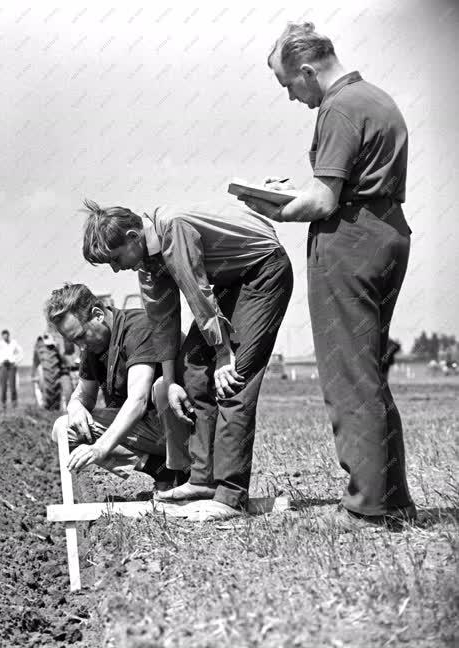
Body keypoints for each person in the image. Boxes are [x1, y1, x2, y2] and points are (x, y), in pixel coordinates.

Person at [246, 21, 415, 527]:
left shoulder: (338, 107)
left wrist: (272, 207)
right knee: (370, 374)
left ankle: (366, 507)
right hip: (387, 232)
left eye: (288, 86)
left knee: (348, 377)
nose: (292, 98)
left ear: (305, 70)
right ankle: (393, 498)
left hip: (351, 241)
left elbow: (323, 199)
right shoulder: (376, 98)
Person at [82, 196, 293, 521]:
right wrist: (168, 380)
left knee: (233, 379)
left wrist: (224, 353)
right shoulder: (148, 263)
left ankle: (230, 494)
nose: (115, 268)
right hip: (228, 284)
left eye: (115, 258)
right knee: (192, 371)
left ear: (132, 238)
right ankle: (203, 480)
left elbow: (197, 291)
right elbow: (162, 322)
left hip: (262, 273)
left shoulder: (173, 229)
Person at [47, 283, 192, 492]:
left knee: (162, 388)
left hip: (189, 426)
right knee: (63, 429)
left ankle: (187, 473)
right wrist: (75, 406)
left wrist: (100, 448)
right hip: (153, 429)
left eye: (80, 336)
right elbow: (84, 394)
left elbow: (138, 401)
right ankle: (159, 469)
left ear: (97, 314)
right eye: (73, 340)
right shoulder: (93, 345)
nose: (80, 346)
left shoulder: (139, 328)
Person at [0, 329, 23, 411]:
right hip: (3, 366)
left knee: (13, 387)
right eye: (4, 335)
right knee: (3, 387)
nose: (5, 336)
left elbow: (21, 352)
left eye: (7, 335)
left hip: (12, 366)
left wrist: (16, 361)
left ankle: (14, 405)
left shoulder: (13, 342)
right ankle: (3, 406)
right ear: (2, 336)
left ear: (9, 335)